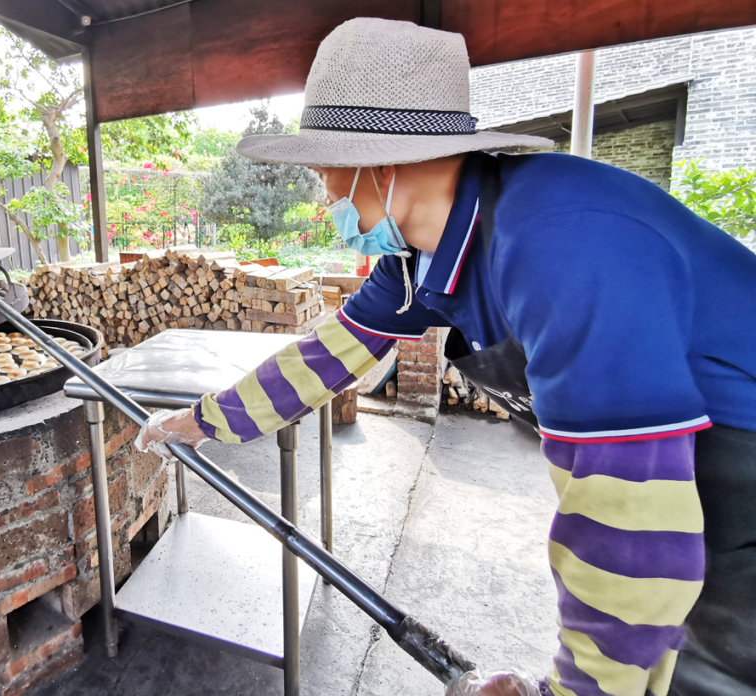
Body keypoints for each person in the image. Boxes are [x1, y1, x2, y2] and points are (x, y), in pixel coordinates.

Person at [137, 17, 756, 696]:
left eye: (325, 174)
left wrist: (574, 691)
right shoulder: (423, 256)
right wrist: (197, 424)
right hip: (682, 486)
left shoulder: (564, 243)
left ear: (380, 160)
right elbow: (323, 357)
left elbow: (628, 520)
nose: (326, 200)